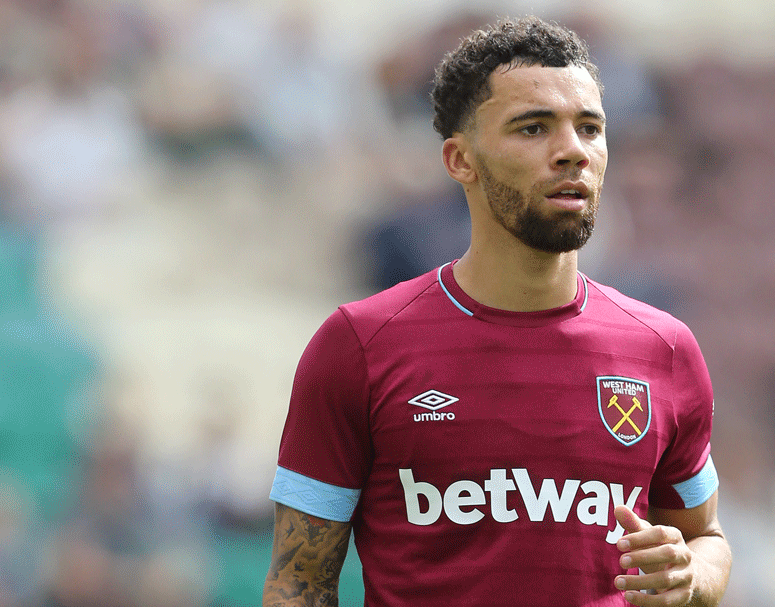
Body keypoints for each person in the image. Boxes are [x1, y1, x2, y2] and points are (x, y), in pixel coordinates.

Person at [263, 16, 732, 607]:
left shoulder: (662, 348)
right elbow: (299, 581)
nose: (572, 152)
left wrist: (691, 578)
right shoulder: (360, 344)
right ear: (461, 160)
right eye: (533, 128)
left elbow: (706, 539)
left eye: (590, 128)